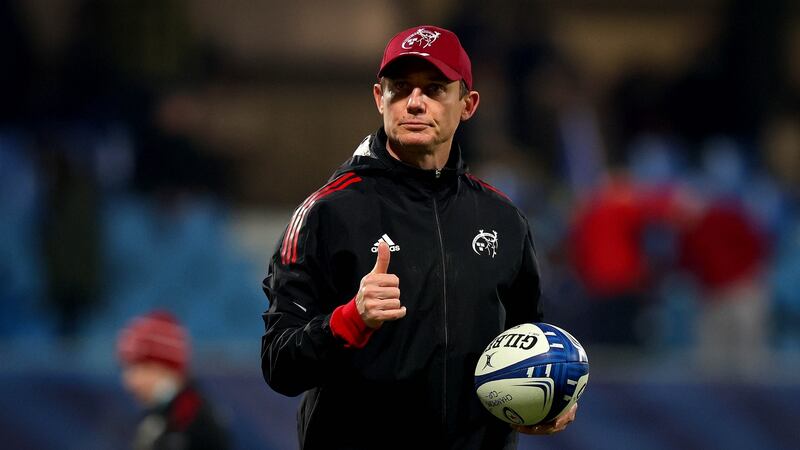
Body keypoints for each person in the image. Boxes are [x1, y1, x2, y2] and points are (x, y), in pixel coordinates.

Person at [260, 25, 577, 449]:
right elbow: (279, 364)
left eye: (434, 89)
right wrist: (349, 319)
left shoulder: (503, 219)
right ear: (379, 98)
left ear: (467, 104)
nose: (414, 102)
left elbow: (527, 341)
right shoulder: (326, 213)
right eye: (400, 87)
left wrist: (543, 403)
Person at [117, 310, 230, 450]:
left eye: (141, 368)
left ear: (165, 368)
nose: (129, 381)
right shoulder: (155, 419)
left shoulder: (197, 421)